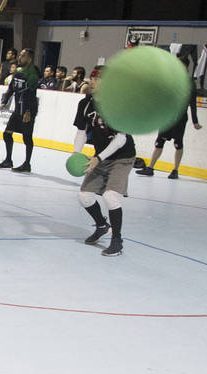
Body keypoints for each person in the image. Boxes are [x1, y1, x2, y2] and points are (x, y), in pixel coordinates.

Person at [72, 68, 135, 257]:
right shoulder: (85, 103)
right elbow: (82, 131)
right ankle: (101, 225)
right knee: (84, 197)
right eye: (91, 78)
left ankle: (117, 241)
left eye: (97, 79)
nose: (92, 82)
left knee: (110, 197)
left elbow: (121, 139)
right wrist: (76, 154)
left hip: (122, 157)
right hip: (100, 156)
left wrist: (98, 158)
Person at [134, 72, 201, 180]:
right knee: (159, 142)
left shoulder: (189, 84)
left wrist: (195, 121)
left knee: (178, 144)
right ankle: (150, 168)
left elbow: (193, 104)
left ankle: (175, 170)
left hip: (180, 119)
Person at [0, 47, 38, 173]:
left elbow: (31, 94)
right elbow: (11, 88)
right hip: (17, 109)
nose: (19, 57)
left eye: (23, 56)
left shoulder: (32, 73)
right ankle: (8, 160)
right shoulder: (18, 71)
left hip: (27, 111)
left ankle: (27, 164)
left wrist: (29, 111)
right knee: (7, 133)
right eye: (20, 55)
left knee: (27, 138)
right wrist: (5, 100)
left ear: (29, 58)